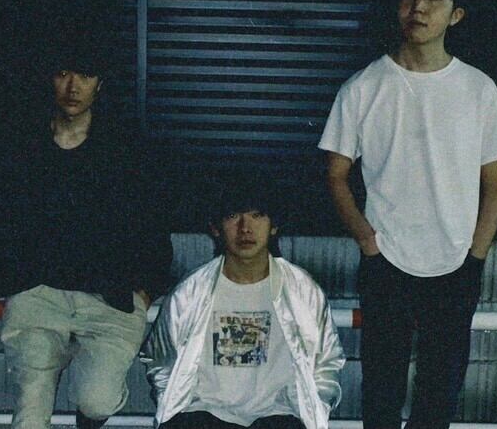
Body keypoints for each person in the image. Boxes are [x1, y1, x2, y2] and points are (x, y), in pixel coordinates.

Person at [318, 0, 497, 428]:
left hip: (457, 261)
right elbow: (335, 175)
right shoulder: (364, 86)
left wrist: (476, 254)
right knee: (381, 391)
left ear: (456, 15)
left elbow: (496, 182)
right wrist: (368, 241)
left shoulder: (478, 89)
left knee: (440, 393)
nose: (419, 7)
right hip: (386, 258)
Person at [0, 37, 173, 429]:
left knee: (97, 399)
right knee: (31, 407)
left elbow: (153, 225)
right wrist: (14, 275)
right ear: (50, 79)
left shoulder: (126, 150)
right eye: (63, 74)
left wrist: (144, 287)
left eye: (84, 75)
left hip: (109, 297)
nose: (73, 86)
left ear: (100, 84)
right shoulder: (22, 146)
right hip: (39, 292)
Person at [141, 179, 345, 429]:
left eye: (257, 216)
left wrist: (315, 408)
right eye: (232, 216)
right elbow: (160, 360)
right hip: (202, 414)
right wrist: (173, 408)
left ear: (273, 226)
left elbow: (326, 362)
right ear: (216, 228)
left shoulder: (302, 291)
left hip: (280, 415)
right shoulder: (190, 292)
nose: (245, 228)